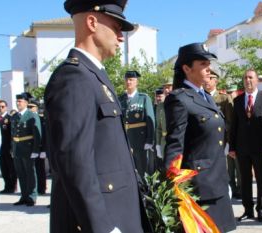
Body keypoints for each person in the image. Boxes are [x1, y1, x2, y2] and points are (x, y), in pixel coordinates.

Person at [45, 0, 151, 232]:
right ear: (92, 22)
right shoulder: (74, 78)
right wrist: (101, 227)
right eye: (116, 27)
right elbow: (75, 162)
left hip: (118, 213)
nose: (121, 37)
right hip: (101, 221)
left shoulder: (95, 76)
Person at [164, 42, 236, 232]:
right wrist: (170, 185)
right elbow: (175, 144)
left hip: (217, 181)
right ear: (187, 68)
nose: (208, 68)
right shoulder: (179, 99)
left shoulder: (205, 96)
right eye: (203, 64)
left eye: (208, 63)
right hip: (200, 187)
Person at [229, 69, 262, 223]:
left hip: (261, 148)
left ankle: (261, 210)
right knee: (245, 180)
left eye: (250, 77)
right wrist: (232, 147)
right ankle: (248, 210)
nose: (247, 80)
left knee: (261, 180)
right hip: (242, 148)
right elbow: (233, 126)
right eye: (245, 78)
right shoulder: (238, 100)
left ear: (257, 81)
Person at [204, 70, 241, 200]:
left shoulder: (224, 98)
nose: (207, 81)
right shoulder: (199, 96)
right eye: (206, 78)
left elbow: (230, 122)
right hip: (206, 141)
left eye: (210, 78)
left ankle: (230, 191)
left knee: (226, 169)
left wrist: (229, 142)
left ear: (216, 81)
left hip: (222, 140)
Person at [119, 70, 156, 176]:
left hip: (140, 140)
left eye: (131, 80)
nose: (128, 82)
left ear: (136, 82)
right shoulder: (120, 99)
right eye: (126, 80)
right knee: (127, 169)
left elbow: (151, 120)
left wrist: (150, 140)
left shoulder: (143, 98)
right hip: (125, 140)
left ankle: (144, 191)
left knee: (141, 169)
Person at [11, 92, 41, 206]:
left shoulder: (32, 115)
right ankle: (23, 196)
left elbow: (37, 134)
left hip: (28, 148)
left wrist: (36, 150)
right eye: (17, 101)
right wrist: (12, 148)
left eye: (20, 101)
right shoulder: (14, 116)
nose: (18, 103)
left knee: (30, 172)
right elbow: (12, 134)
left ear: (26, 102)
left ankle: (32, 196)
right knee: (21, 173)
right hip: (17, 148)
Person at [0, 100, 17, 193]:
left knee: (11, 168)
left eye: (2, 106)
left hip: (8, 147)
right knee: (3, 169)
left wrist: (12, 148)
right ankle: (7, 186)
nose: (1, 108)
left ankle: (13, 186)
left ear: (6, 107)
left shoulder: (9, 118)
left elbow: (12, 134)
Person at [28, 99, 48, 195]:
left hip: (40, 148)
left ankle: (42, 188)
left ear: (36, 108)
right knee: (33, 170)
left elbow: (44, 135)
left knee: (40, 169)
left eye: (32, 107)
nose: (30, 109)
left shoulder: (41, 119)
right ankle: (34, 188)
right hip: (31, 148)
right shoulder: (29, 119)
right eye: (29, 107)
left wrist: (44, 149)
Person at [154, 88, 166, 169]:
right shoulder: (159, 107)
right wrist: (158, 144)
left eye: (160, 96)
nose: (158, 98)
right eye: (157, 96)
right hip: (163, 141)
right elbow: (158, 128)